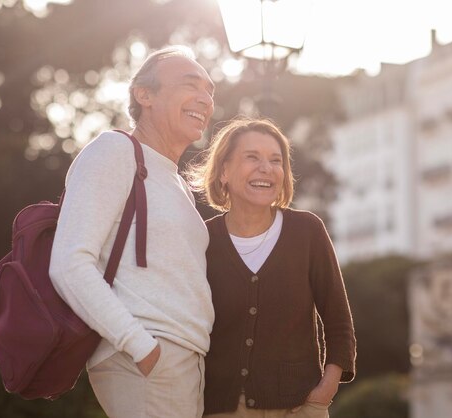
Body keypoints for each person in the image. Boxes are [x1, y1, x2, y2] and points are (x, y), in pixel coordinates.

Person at [49, 45, 216, 418]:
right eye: (191, 85)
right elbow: (69, 262)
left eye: (210, 91)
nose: (205, 99)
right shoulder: (114, 151)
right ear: (145, 95)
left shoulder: (176, 183)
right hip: (149, 358)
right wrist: (139, 346)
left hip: (180, 360)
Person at [189, 118, 356, 418]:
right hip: (222, 410)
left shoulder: (307, 232)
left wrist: (321, 396)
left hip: (299, 406)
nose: (266, 168)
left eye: (275, 160)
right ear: (224, 171)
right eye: (252, 157)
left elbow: (339, 324)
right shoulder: (202, 239)